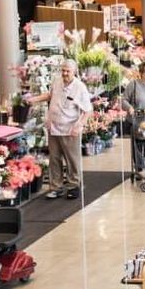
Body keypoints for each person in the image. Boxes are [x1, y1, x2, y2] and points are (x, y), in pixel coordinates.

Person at [26, 59, 93, 200]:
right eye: (63, 70)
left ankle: (73, 186)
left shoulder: (79, 87)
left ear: (74, 72)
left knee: (72, 159)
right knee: (54, 158)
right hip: (54, 127)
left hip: (70, 129)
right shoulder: (57, 81)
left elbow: (87, 110)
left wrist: (79, 125)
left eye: (68, 71)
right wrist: (33, 99)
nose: (65, 73)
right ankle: (56, 187)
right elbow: (50, 96)